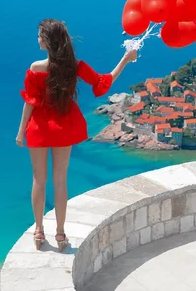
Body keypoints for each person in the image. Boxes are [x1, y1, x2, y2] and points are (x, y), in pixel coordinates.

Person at [16, 18, 138, 251]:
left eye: (40, 35)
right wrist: (125, 59)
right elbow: (103, 83)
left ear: (48, 41)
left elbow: (30, 102)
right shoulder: (76, 66)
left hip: (40, 128)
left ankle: (39, 230)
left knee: (38, 180)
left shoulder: (34, 68)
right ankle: (61, 234)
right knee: (60, 181)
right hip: (64, 126)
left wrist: (21, 131)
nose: (37, 39)